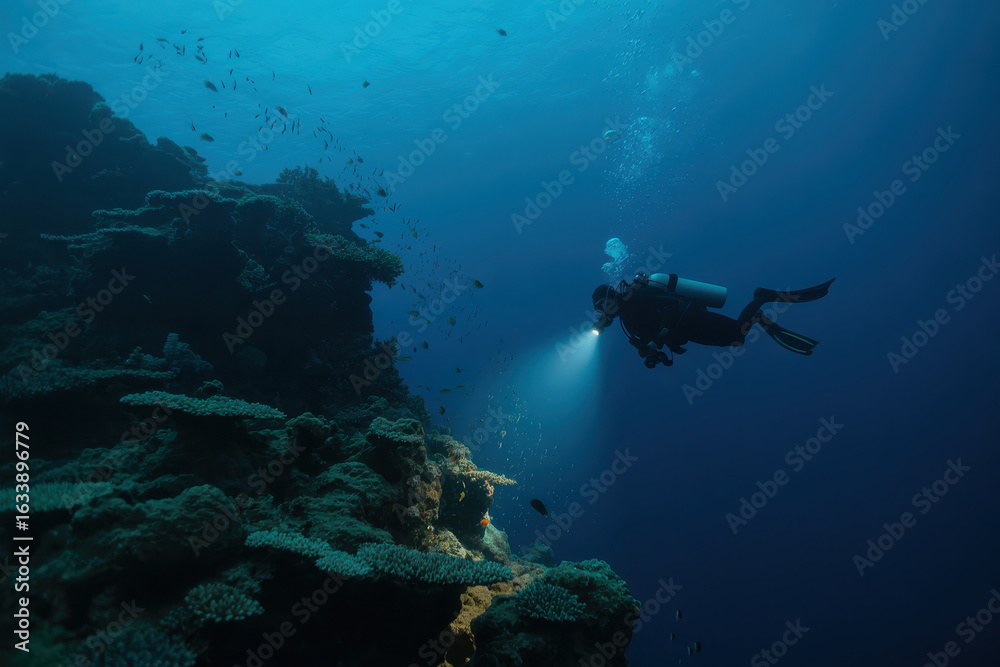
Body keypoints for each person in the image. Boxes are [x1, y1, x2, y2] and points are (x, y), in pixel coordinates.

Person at [591, 272, 835, 368]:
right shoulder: (628, 322)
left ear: (612, 296)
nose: (604, 310)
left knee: (737, 335)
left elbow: (673, 307)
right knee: (736, 341)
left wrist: (657, 338)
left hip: (693, 319)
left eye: (604, 303)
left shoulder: (638, 297)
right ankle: (759, 314)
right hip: (689, 332)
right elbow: (650, 341)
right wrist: (651, 352)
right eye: (599, 308)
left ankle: (761, 298)